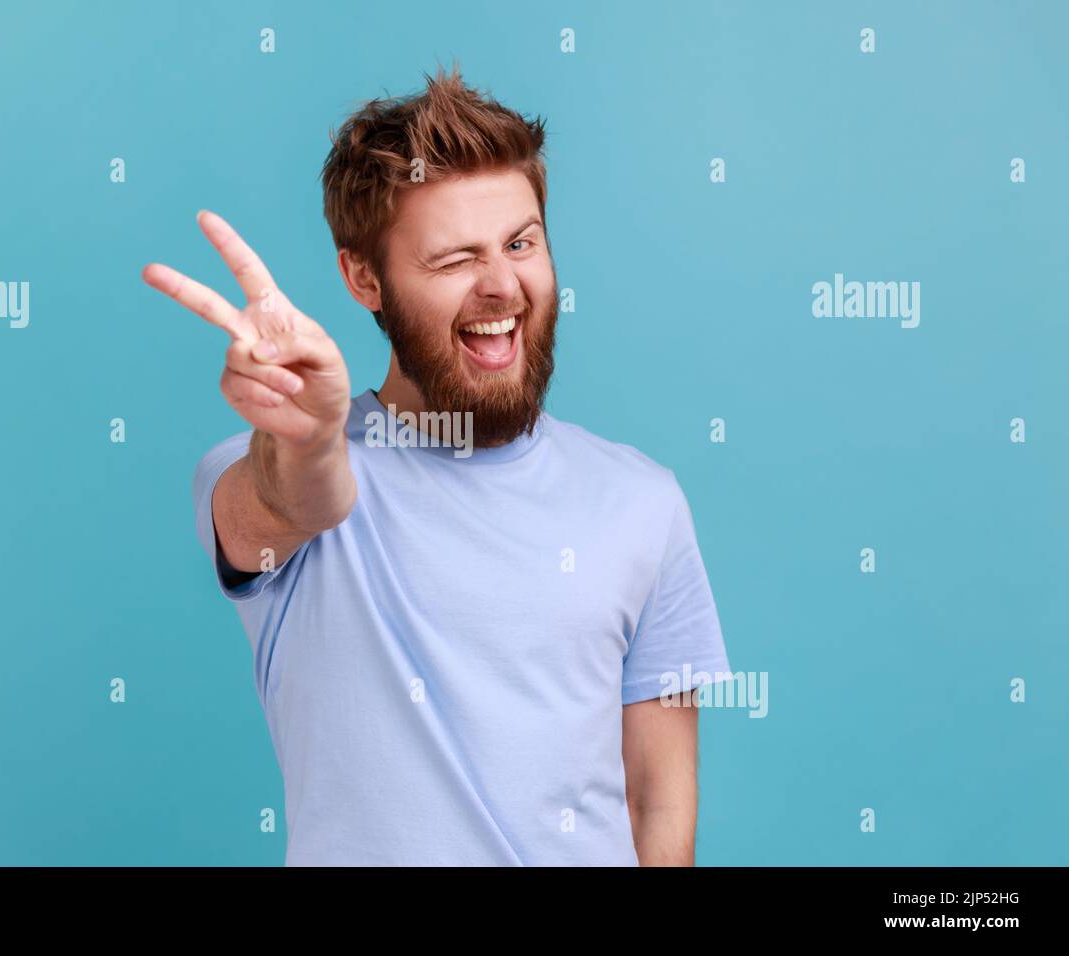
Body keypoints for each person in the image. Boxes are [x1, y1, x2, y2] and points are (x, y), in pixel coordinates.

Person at [142, 64, 731, 866]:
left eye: (521, 243)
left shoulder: (645, 503)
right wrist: (310, 439)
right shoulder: (275, 469)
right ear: (364, 279)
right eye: (454, 260)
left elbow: (657, 800)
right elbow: (288, 503)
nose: (502, 287)